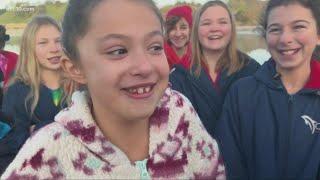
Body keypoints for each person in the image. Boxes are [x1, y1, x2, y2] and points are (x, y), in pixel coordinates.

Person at [1, 0, 225, 179]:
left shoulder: (181, 114)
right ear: (75, 68)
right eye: (118, 51)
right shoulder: (46, 157)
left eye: (155, 47)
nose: (145, 66)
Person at [215, 0, 320, 179]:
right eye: (275, 29)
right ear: (265, 37)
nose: (285, 39)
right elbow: (227, 165)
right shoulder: (241, 93)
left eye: (298, 27)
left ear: (318, 34)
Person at [169, 0, 260, 137]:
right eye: (206, 23)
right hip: (195, 156)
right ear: (196, 30)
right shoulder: (178, 76)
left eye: (222, 22)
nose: (214, 28)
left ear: (231, 28)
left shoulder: (252, 71)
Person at [0, 15, 65, 174]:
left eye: (58, 41)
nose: (54, 48)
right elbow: (10, 148)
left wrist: (38, 128)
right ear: (30, 49)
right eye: (43, 43)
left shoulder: (83, 84)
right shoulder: (17, 91)